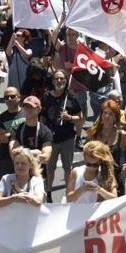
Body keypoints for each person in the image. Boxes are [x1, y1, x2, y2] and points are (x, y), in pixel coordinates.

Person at [41, 69, 83, 202]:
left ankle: (68, 193)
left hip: (67, 138)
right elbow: (41, 117)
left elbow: (80, 117)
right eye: (57, 79)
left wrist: (69, 117)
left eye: (62, 79)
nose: (59, 81)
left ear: (66, 80)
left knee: (67, 168)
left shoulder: (71, 97)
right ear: (52, 81)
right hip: (51, 139)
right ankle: (48, 192)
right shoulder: (46, 96)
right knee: (50, 168)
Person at [85, 99, 126, 196]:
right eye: (105, 113)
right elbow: (85, 151)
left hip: (116, 178)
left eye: (111, 114)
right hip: (96, 177)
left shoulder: (122, 135)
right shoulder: (93, 134)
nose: (107, 116)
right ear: (101, 115)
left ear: (115, 117)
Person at [0, 87, 25, 179]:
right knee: (6, 189)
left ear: (19, 97)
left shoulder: (26, 113)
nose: (9, 99)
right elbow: (1, 138)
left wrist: (9, 133)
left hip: (25, 156)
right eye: (6, 97)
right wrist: (20, 132)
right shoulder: (1, 118)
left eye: (12, 96)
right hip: (6, 159)